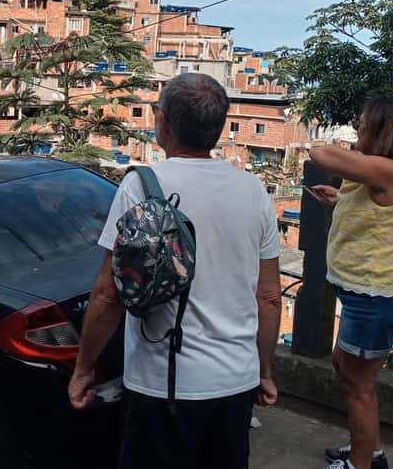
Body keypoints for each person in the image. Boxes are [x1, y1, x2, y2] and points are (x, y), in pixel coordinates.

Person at [68, 73, 282, 469]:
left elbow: (108, 294)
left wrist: (83, 370)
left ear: (163, 123)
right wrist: (264, 371)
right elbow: (269, 297)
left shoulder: (141, 186)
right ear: (219, 128)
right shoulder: (254, 191)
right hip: (235, 381)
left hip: (162, 384)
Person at [308, 98, 393, 469]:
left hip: (375, 301)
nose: (357, 129)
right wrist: (340, 198)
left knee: (359, 387)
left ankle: (363, 463)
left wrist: (332, 145)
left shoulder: (392, 170)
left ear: (382, 130)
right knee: (344, 367)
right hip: (370, 298)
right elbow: (380, 213)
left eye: (362, 124)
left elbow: (321, 154)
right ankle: (369, 450)